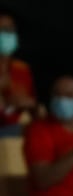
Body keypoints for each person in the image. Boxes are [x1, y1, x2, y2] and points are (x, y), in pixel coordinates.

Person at [0, 6, 36, 134]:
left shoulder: (22, 68)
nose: (6, 34)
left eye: (10, 30)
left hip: (16, 127)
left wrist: (29, 104)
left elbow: (31, 106)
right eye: (2, 30)